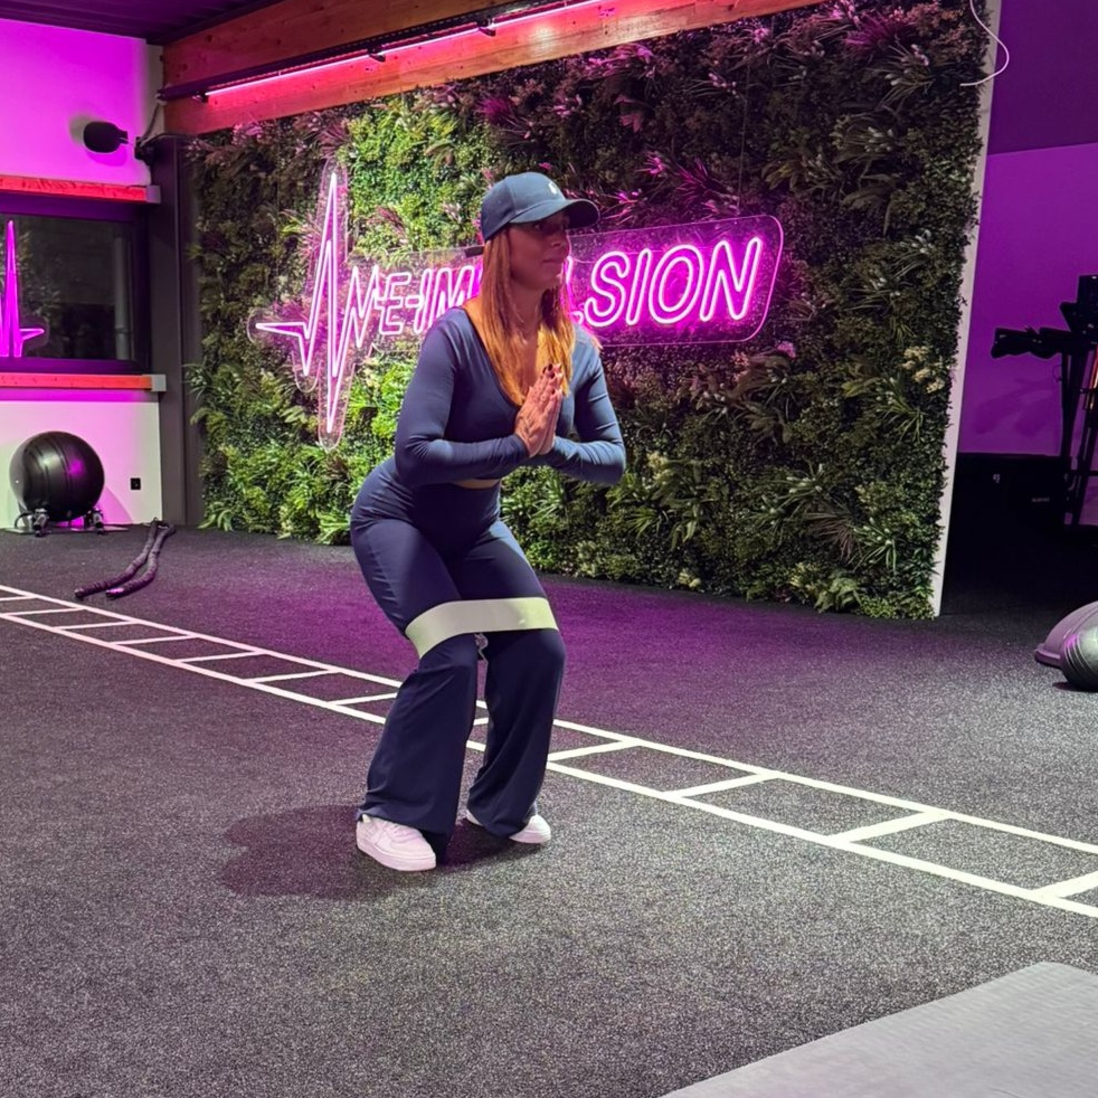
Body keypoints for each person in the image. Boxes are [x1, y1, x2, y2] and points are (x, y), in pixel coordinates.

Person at [350, 171, 626, 871]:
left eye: (565, 229)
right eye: (542, 228)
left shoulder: (576, 349)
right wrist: (516, 446)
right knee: (448, 658)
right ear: (503, 242)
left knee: (539, 650)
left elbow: (611, 459)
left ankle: (500, 804)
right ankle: (389, 812)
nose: (559, 241)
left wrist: (548, 446)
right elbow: (414, 456)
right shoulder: (456, 336)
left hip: (474, 525)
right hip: (399, 517)